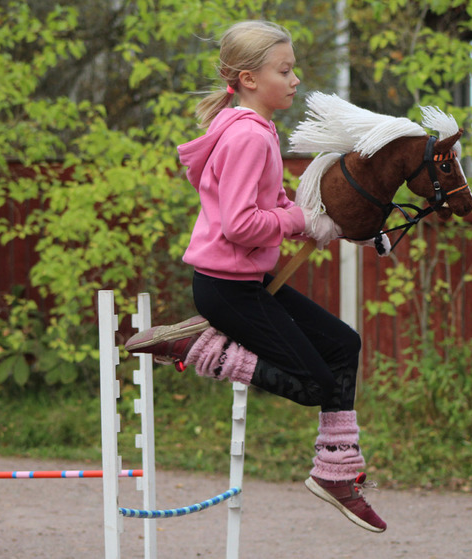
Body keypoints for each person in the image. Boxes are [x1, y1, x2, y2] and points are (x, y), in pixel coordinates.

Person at [125, 20, 389, 533]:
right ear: (248, 78)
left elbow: (271, 203)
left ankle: (337, 474)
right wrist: (295, 221)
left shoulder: (256, 130)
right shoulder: (248, 136)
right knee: (315, 383)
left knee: (343, 346)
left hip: (243, 284)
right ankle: (197, 348)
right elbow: (242, 225)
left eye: (293, 70)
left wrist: (326, 221)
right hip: (227, 290)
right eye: (284, 71)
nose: (295, 80)